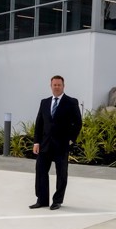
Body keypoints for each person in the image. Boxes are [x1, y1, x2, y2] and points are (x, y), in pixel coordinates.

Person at [29, 75, 82, 210]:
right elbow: (39, 123)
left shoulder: (71, 102)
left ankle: (57, 201)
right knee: (40, 171)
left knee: (61, 174)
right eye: (54, 85)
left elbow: (78, 123)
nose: (57, 87)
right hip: (45, 144)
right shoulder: (44, 102)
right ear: (51, 86)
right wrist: (36, 142)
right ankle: (42, 200)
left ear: (63, 86)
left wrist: (71, 139)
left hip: (61, 144)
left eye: (59, 85)